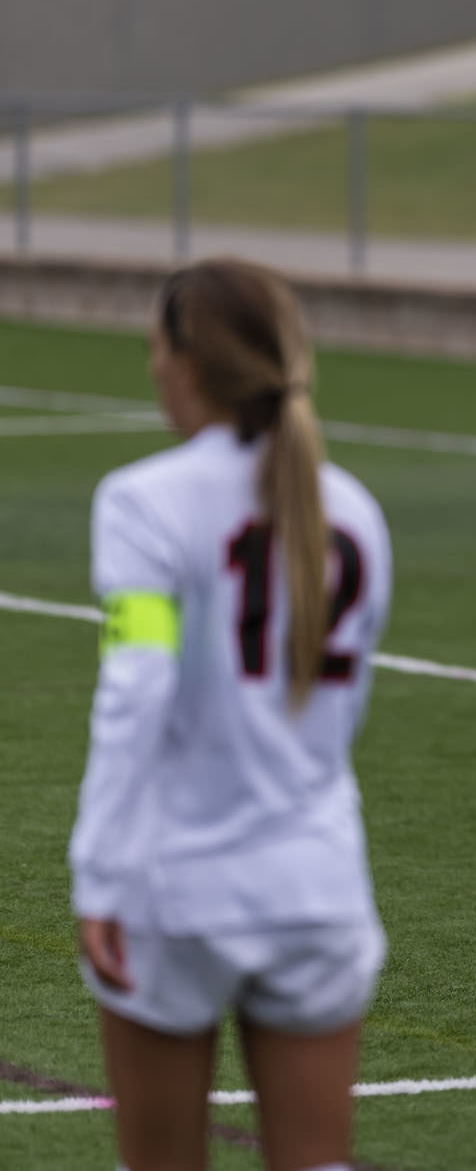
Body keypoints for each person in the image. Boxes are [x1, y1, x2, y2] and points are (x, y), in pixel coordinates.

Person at [70, 258, 393, 1171]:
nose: (150, 369)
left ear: (189, 362)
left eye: (154, 349)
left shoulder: (142, 500)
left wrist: (98, 869)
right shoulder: (360, 515)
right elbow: (342, 712)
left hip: (177, 886)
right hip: (316, 885)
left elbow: (136, 687)